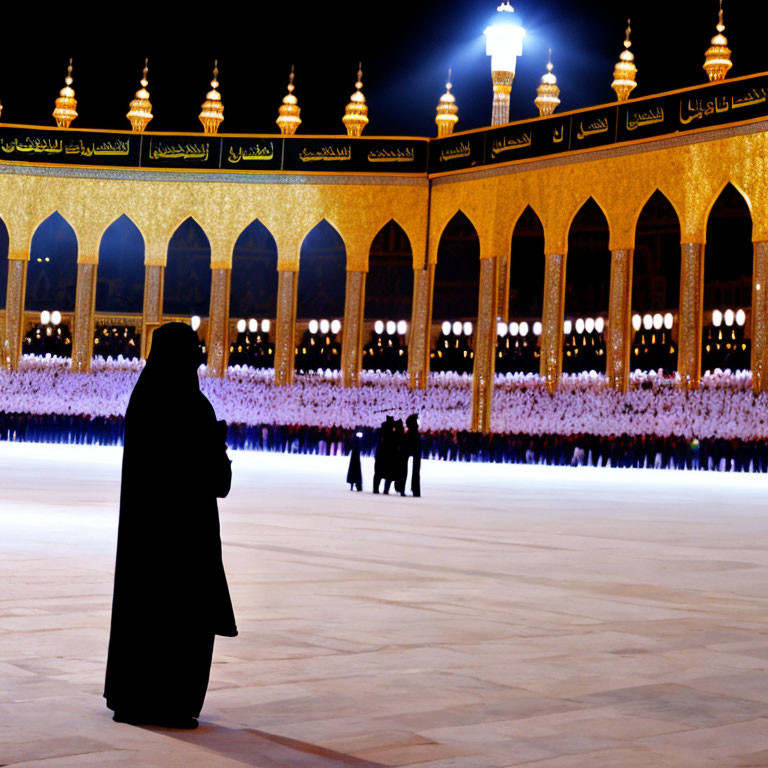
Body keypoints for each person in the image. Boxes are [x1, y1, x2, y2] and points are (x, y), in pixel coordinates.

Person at [104, 322, 237, 730]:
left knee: (143, 612)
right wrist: (219, 445)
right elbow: (219, 483)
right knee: (183, 621)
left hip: (145, 540)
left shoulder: (142, 401)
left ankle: (135, 696)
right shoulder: (193, 407)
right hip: (186, 541)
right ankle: (173, 702)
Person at [405, 413, 422, 497]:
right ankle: (415, 489)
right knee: (415, 468)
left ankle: (412, 488)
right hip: (414, 448)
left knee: (406, 467)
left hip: (412, 447)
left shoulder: (410, 432)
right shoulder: (414, 432)